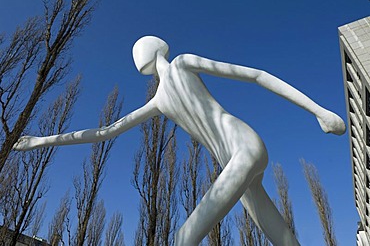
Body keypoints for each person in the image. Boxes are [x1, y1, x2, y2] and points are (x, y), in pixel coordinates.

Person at [13, 36, 346, 246]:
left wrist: (319, 111)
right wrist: (41, 141)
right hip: (234, 163)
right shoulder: (157, 101)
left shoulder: (184, 64)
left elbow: (255, 75)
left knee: (184, 237)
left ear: (154, 49)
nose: (137, 56)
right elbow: (104, 132)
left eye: (138, 50)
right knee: (284, 239)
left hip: (243, 147)